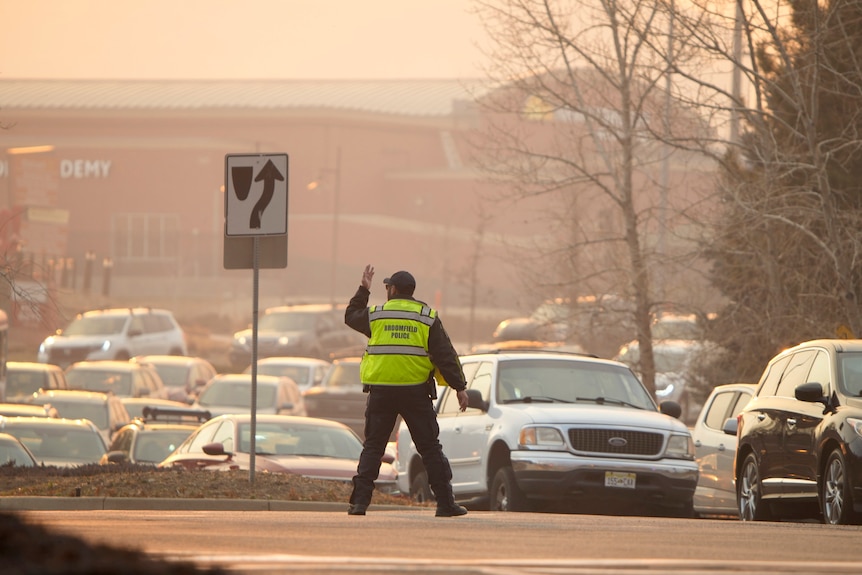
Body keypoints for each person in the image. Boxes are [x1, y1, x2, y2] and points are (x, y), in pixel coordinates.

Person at [344, 264, 469, 517]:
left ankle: (359, 504)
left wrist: (364, 289)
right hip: (415, 393)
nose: (386, 289)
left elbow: (351, 315)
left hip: (381, 393)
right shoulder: (426, 316)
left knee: (373, 448)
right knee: (430, 448)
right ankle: (445, 504)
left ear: (393, 290)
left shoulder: (377, 316)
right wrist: (460, 387)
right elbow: (445, 355)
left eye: (387, 286)